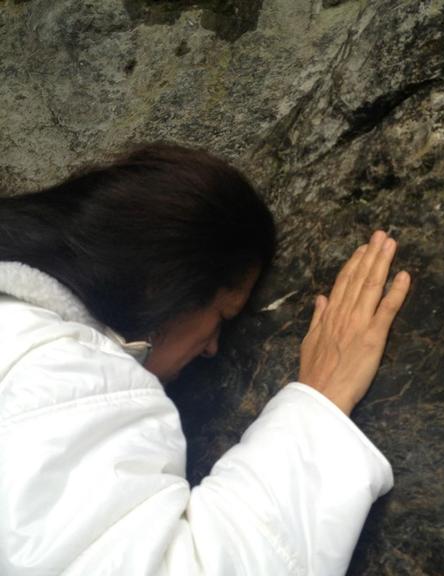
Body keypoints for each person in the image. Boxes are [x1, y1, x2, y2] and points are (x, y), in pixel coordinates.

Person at [0, 141, 411, 575]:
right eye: (221, 317)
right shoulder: (54, 367)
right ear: (163, 288)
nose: (214, 347)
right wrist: (321, 402)